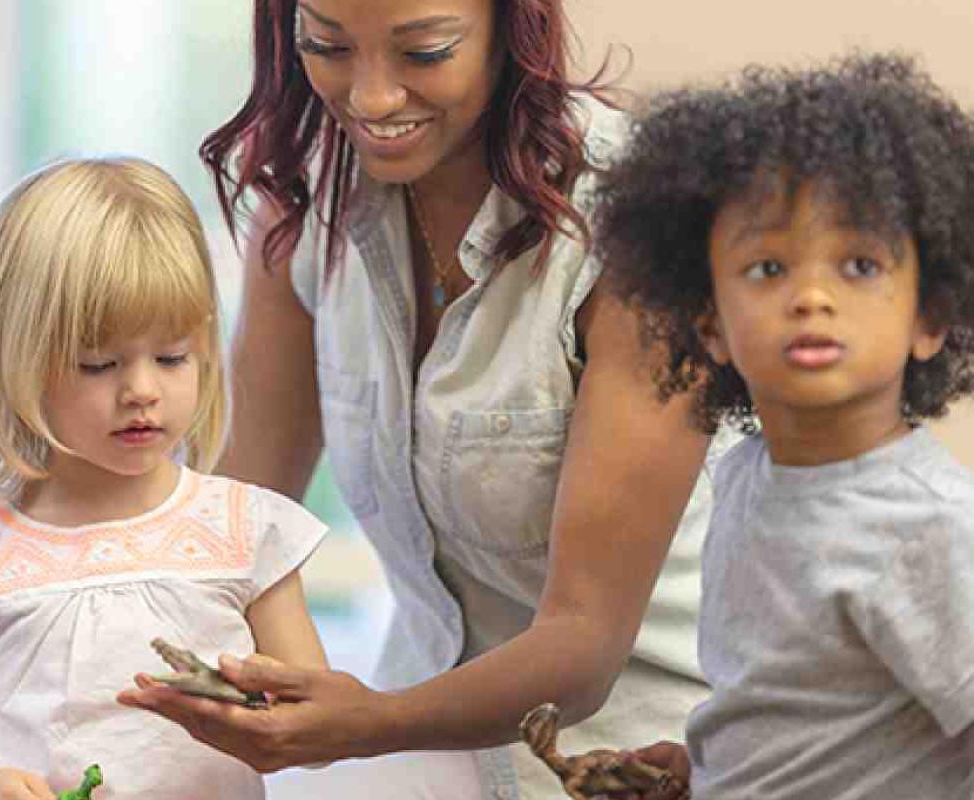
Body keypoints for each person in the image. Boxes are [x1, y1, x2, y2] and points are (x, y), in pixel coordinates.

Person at [117, 0, 737, 797]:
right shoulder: (307, 190)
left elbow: (583, 650)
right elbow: (230, 525)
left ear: (515, 31)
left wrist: (367, 723)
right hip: (416, 755)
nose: (370, 99)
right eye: (327, 45)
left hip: (633, 758)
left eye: (426, 52)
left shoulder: (637, 213)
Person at [598, 53, 974, 798]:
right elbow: (804, 711)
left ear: (928, 318)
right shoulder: (744, 475)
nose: (811, 296)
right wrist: (704, 769)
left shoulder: (927, 528)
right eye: (769, 269)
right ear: (708, 323)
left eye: (859, 265)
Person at [0, 158, 328, 800]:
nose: (141, 390)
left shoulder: (249, 530)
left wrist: (255, 703)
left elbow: (318, 729)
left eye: (171, 358)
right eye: (98, 363)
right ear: (18, 361)